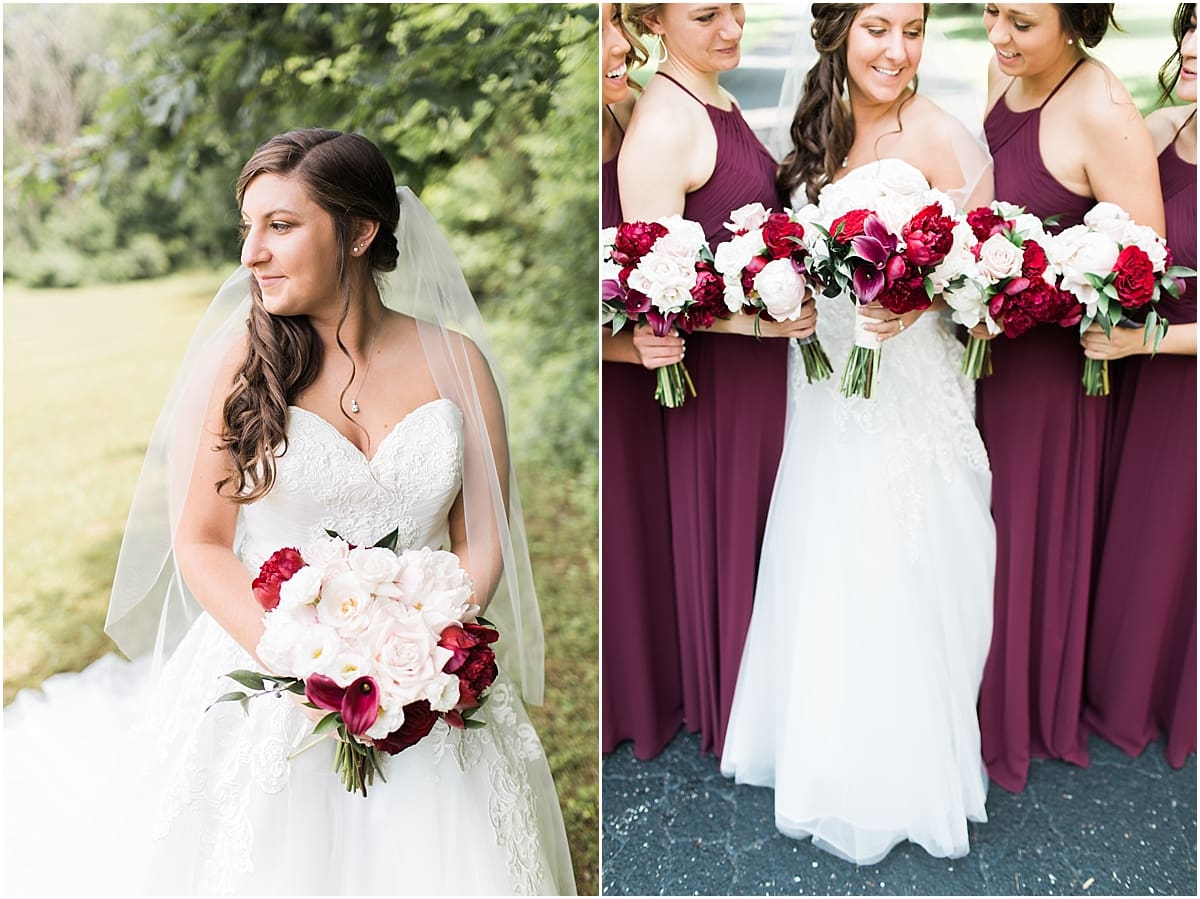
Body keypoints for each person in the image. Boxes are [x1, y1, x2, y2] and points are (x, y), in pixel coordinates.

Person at [4, 129, 576, 895]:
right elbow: (203, 544)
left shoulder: (456, 361)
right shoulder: (238, 367)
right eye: (249, 227)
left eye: (280, 225)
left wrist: (416, 647)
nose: (251, 253)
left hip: (429, 677)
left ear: (360, 232)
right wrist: (308, 660)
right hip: (271, 669)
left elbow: (482, 540)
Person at [720, 3, 997, 864]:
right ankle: (825, 754)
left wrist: (920, 301)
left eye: (913, 29)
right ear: (840, 30)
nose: (898, 49)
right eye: (879, 27)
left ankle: (904, 774)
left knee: (906, 560)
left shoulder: (947, 138)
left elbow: (983, 295)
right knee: (827, 552)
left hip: (909, 393)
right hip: (826, 388)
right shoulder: (812, 118)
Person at [971, 2, 1166, 794]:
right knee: (966, 526)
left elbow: (1142, 267)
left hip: (1047, 382)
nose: (998, 37)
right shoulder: (1002, 75)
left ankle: (1009, 715)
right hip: (980, 354)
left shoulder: (1102, 107)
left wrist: (1049, 288)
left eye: (1021, 21)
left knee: (1016, 541)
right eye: (990, 12)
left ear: (1075, 21)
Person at [617, 1, 817, 759]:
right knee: (738, 531)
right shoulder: (666, 124)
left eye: (737, 6)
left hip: (758, 375)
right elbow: (658, 300)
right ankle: (736, 705)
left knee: (772, 530)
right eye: (707, 14)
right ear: (653, 20)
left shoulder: (714, 93)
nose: (732, 27)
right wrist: (760, 323)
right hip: (719, 388)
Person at [1080, 3, 1196, 770]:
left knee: (1167, 545)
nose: (1192, 48)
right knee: (1121, 534)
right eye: (1194, 26)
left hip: (1182, 388)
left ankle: (1153, 699)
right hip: (1126, 374)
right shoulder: (1159, 133)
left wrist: (1146, 340)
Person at [599, 1, 686, 761]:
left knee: (654, 533)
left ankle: (666, 686)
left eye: (617, 21)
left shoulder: (630, 115)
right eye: (598, 27)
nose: (618, 43)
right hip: (616, 384)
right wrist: (620, 350)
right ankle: (625, 704)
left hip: (655, 372)